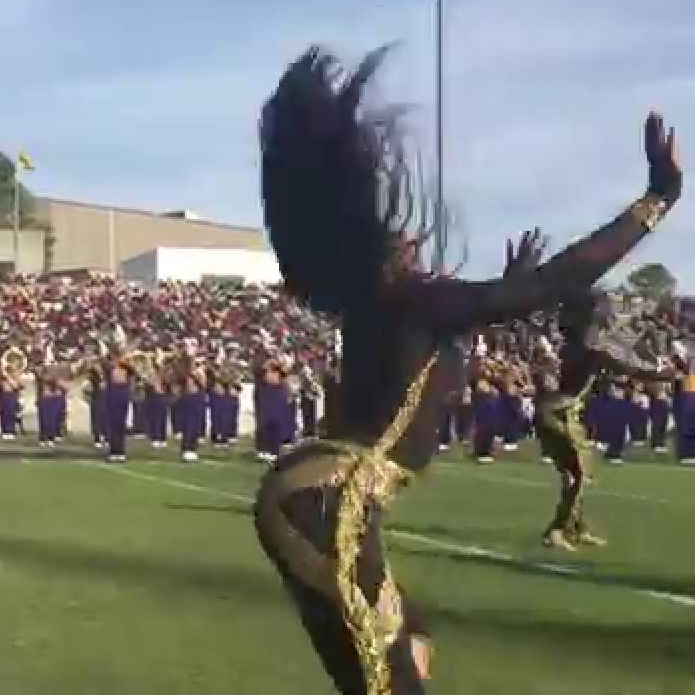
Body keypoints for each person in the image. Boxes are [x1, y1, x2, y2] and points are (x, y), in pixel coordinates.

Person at [252, 45, 681, 694]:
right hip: (329, 500)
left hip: (318, 491)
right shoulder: (414, 301)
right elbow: (560, 279)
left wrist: (507, 288)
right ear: (381, 257)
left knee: (411, 647)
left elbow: (482, 315)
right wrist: (656, 200)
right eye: (402, 240)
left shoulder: (393, 306)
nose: (414, 240)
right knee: (390, 681)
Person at [533, 291, 668, 551]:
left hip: (559, 411)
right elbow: (630, 367)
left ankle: (574, 527)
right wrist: (664, 374)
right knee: (579, 473)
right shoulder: (590, 346)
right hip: (560, 413)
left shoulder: (579, 343)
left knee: (579, 472)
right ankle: (557, 530)